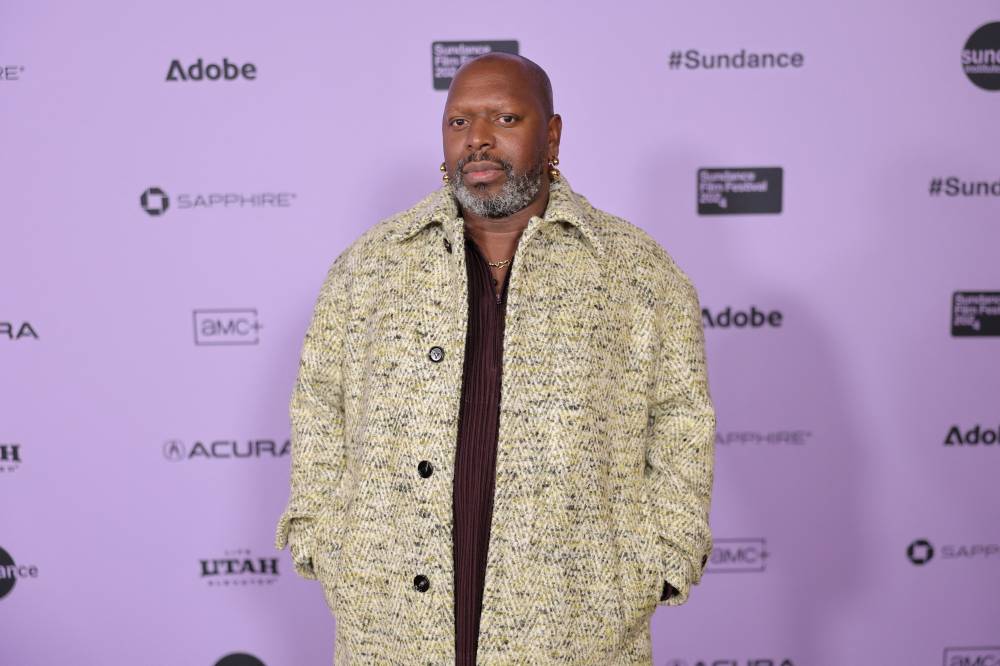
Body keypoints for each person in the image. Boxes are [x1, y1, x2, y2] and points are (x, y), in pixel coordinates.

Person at [275, 52, 716, 666]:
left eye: (505, 118)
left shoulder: (637, 271)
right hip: (391, 625)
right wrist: (327, 538)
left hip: (576, 624)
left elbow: (681, 419)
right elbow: (320, 401)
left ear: (552, 133)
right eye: (459, 123)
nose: (478, 139)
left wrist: (661, 558)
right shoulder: (371, 266)